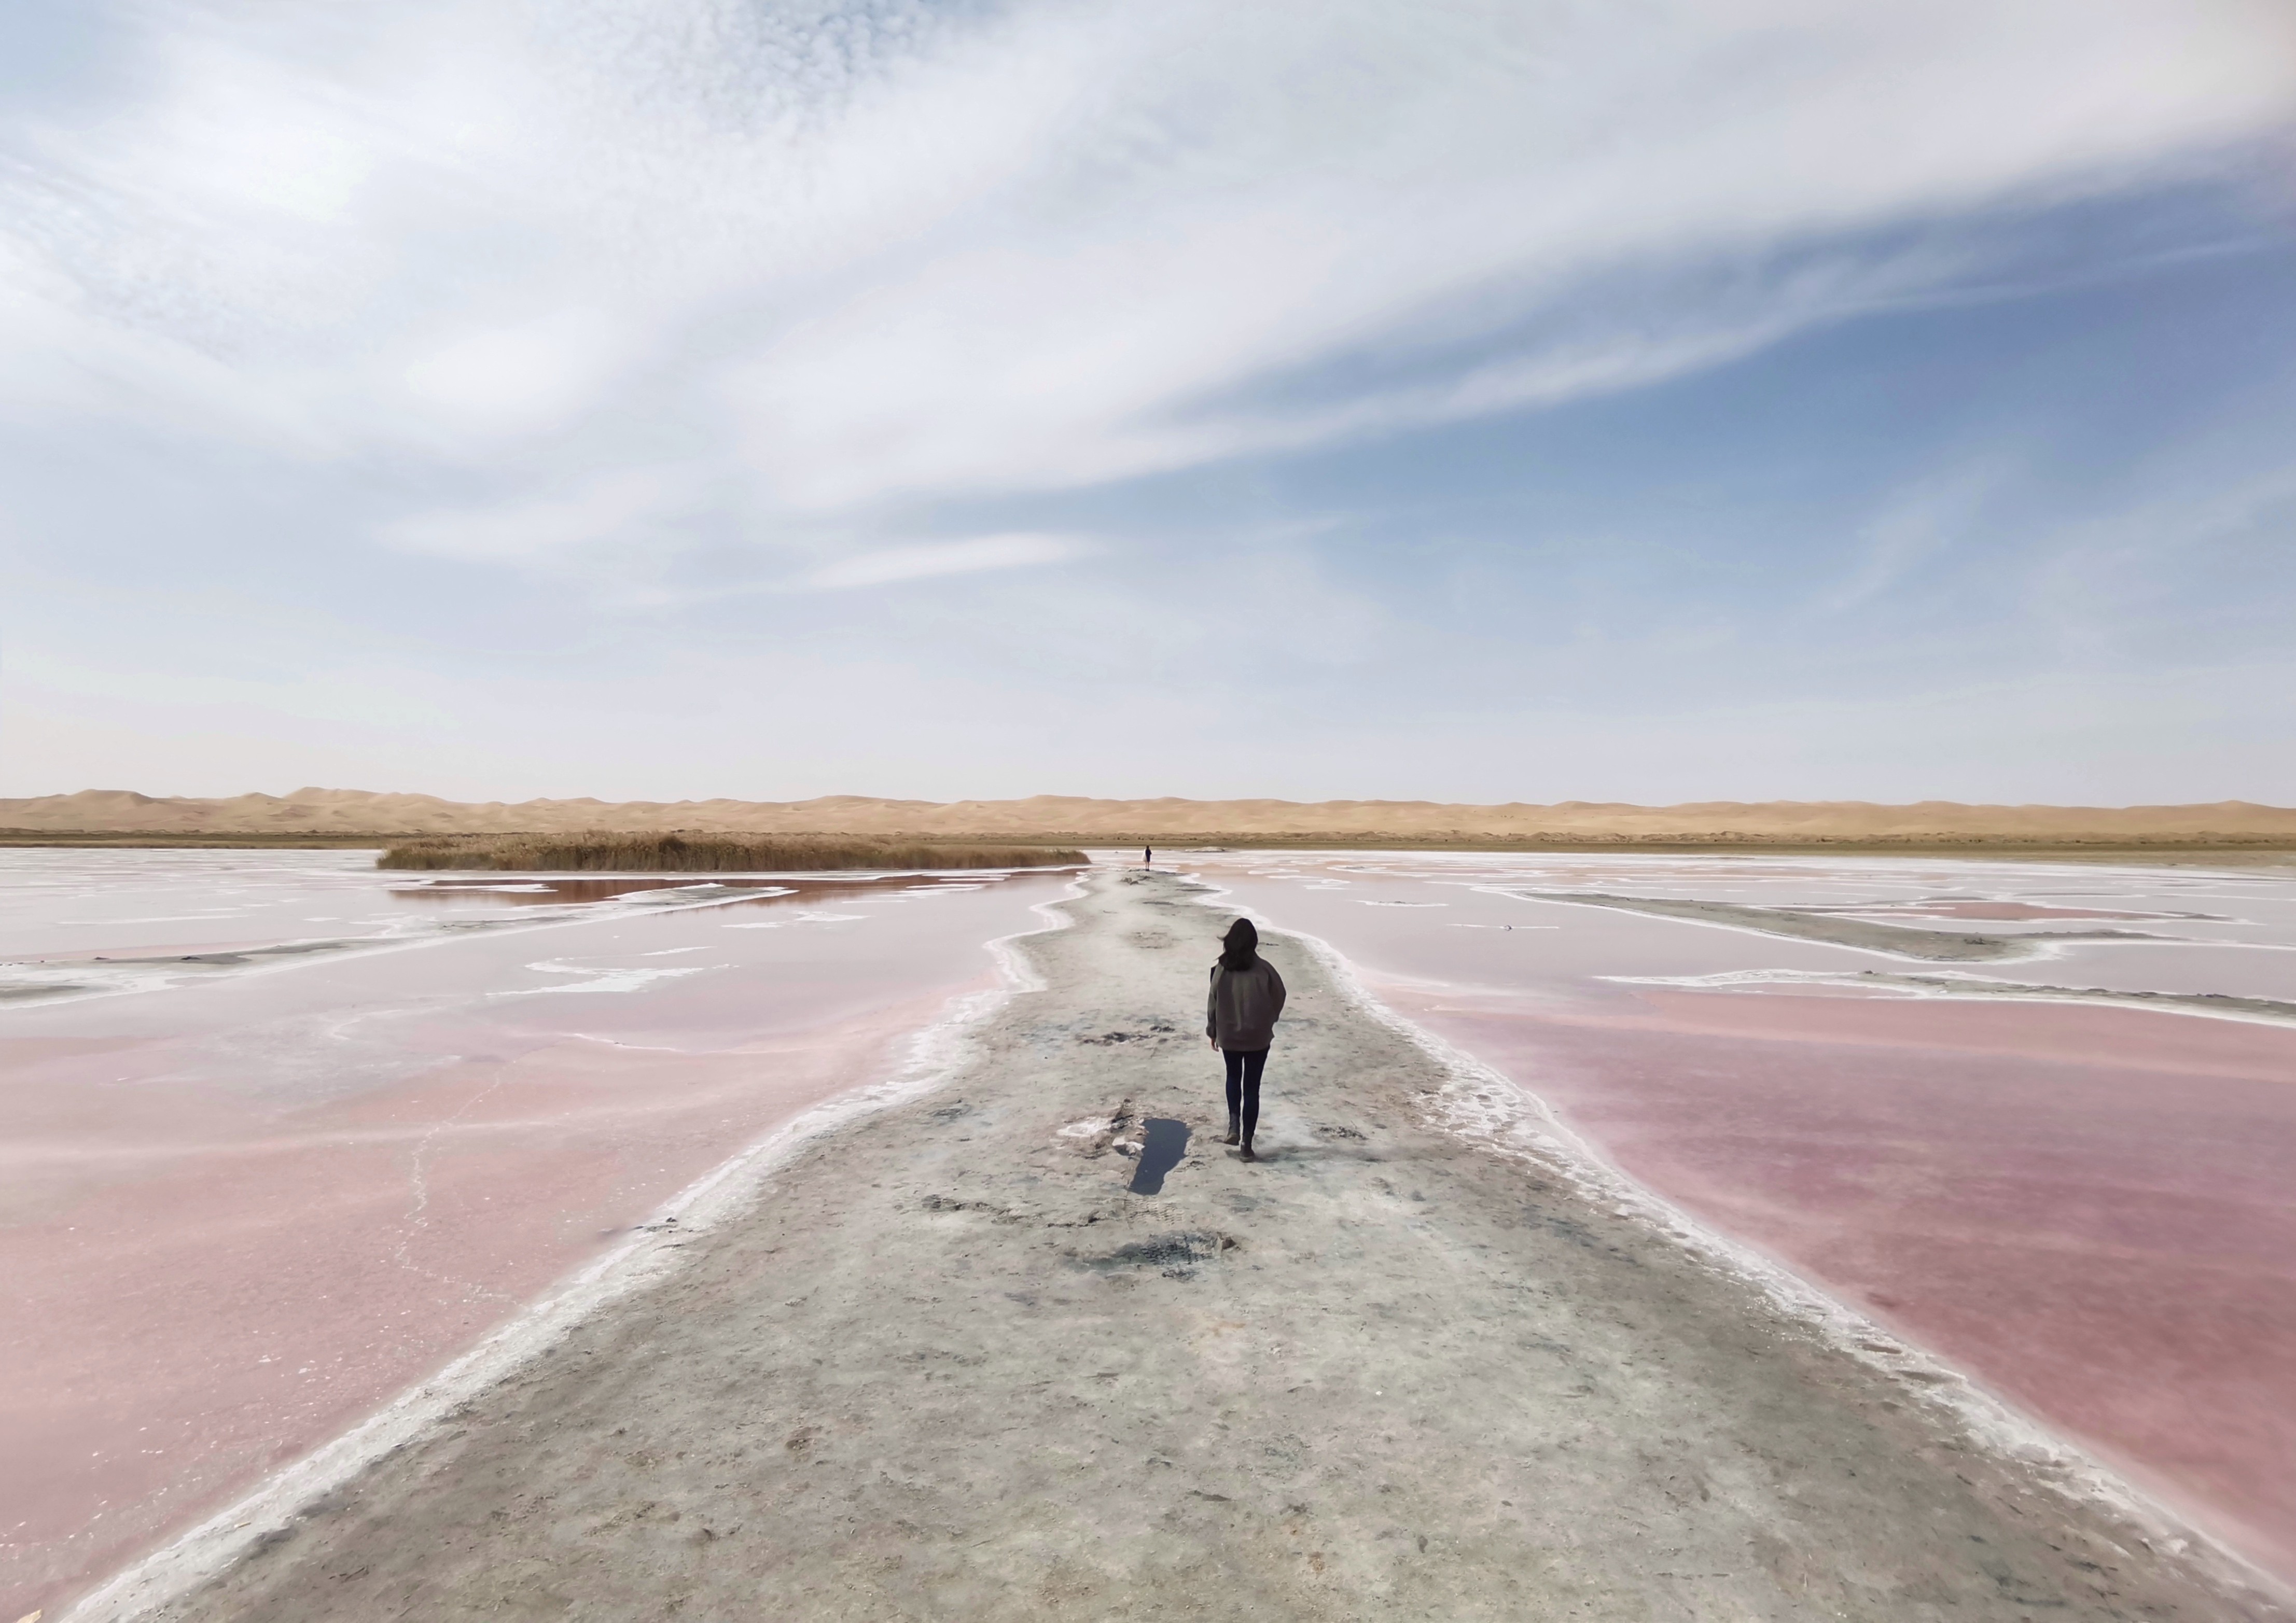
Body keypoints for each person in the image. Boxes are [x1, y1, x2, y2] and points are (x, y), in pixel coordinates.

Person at [1206, 917, 1286, 1162]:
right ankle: (1246, 1146)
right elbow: (1280, 995)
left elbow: (1213, 1002)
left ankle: (1233, 1125)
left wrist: (1213, 1031)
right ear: (1254, 942)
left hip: (1229, 1035)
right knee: (1252, 1088)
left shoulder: (1220, 970)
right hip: (1258, 1037)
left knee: (1233, 1077)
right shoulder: (1265, 969)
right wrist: (1270, 1018)